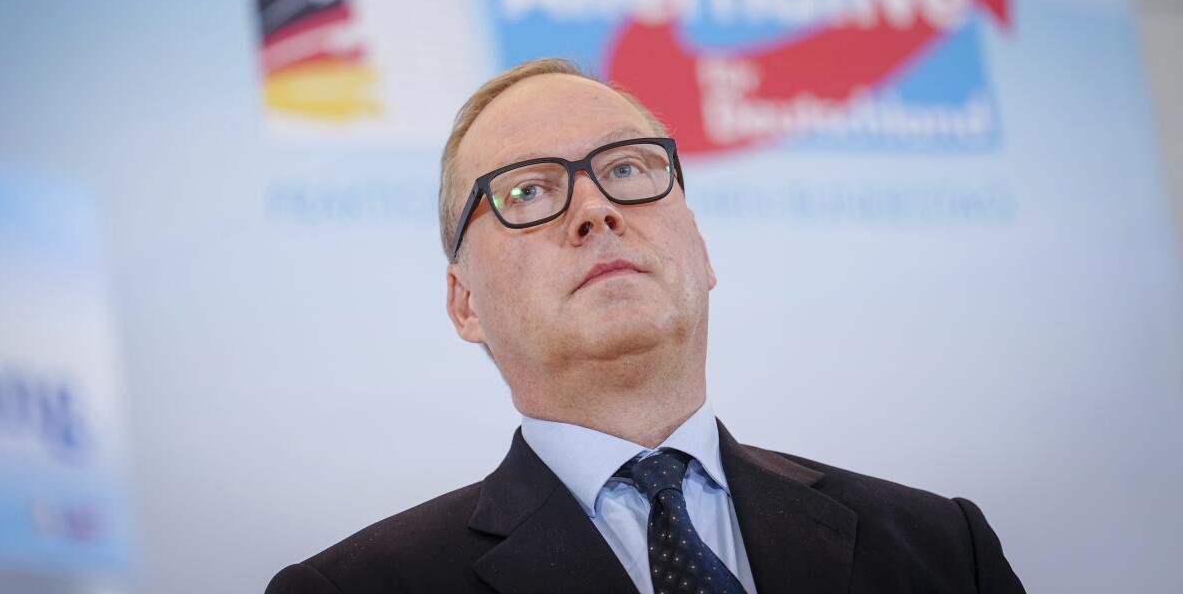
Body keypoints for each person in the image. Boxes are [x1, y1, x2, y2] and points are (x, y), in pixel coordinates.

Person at [265, 58, 1026, 594]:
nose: (596, 209)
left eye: (627, 170)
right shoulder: (352, 586)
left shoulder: (940, 548)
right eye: (529, 191)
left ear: (701, 247)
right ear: (465, 304)